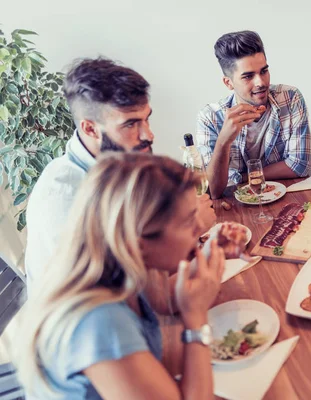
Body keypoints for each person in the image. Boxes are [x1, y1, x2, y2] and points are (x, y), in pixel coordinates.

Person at [14, 153, 224, 400]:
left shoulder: (120, 268)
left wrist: (211, 255)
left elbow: (164, 300)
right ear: (139, 244)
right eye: (189, 220)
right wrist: (196, 317)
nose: (200, 227)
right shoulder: (100, 321)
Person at [24, 57, 215, 297]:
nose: (149, 135)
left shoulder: (119, 164)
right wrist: (192, 227)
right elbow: (104, 289)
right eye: (131, 124)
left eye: (147, 118)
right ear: (90, 129)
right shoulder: (62, 196)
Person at [196, 30, 311, 198]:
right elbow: (213, 191)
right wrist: (224, 141)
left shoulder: (290, 97)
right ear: (228, 82)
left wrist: (244, 177)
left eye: (264, 71)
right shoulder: (210, 118)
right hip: (237, 209)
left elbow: (300, 165)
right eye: (248, 76)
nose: (260, 82)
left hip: (287, 198)